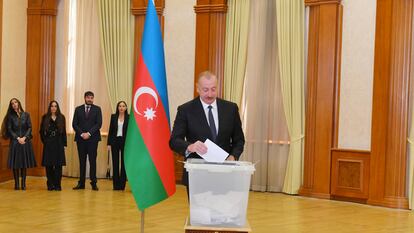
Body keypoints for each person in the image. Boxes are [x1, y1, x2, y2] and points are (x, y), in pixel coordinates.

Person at [169, 71, 245, 194]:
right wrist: (190, 146)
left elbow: (239, 140)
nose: (210, 94)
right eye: (205, 90)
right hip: (197, 174)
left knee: (223, 212)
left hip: (224, 174)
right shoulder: (185, 110)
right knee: (200, 213)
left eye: (213, 89)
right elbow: (174, 141)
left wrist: (233, 156)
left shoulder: (230, 108)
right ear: (197, 88)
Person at [0, 98, 36, 190]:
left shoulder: (26, 115)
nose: (14, 104)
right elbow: (9, 129)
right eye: (12, 103)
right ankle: (16, 184)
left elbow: (29, 127)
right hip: (15, 142)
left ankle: (23, 184)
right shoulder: (10, 117)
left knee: (23, 164)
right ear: (11, 106)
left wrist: (24, 137)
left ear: (18, 103)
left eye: (15, 102)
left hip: (25, 141)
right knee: (16, 164)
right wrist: (17, 138)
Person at [72, 91, 102, 191]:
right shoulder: (78, 109)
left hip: (93, 139)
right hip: (81, 139)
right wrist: (82, 134)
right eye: (88, 97)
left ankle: (94, 183)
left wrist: (88, 133)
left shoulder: (97, 109)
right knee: (82, 161)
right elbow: (74, 124)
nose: (90, 99)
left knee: (92, 161)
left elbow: (98, 124)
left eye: (92, 98)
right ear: (84, 98)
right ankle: (81, 183)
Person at [39, 101, 67, 191]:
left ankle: (57, 184)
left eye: (55, 106)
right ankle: (50, 184)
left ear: (57, 107)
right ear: (49, 107)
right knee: (49, 165)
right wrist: (45, 141)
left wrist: (64, 143)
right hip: (49, 144)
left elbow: (64, 132)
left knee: (58, 166)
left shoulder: (61, 117)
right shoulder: (45, 117)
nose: (54, 108)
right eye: (52, 106)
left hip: (59, 143)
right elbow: (41, 132)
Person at [107, 101, 129, 190]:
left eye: (123, 106)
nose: (121, 108)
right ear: (117, 107)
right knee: (115, 163)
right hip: (114, 141)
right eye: (120, 106)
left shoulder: (129, 117)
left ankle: (122, 185)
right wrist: (108, 143)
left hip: (125, 142)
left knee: (124, 164)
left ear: (126, 108)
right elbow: (110, 130)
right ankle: (116, 186)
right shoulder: (113, 116)